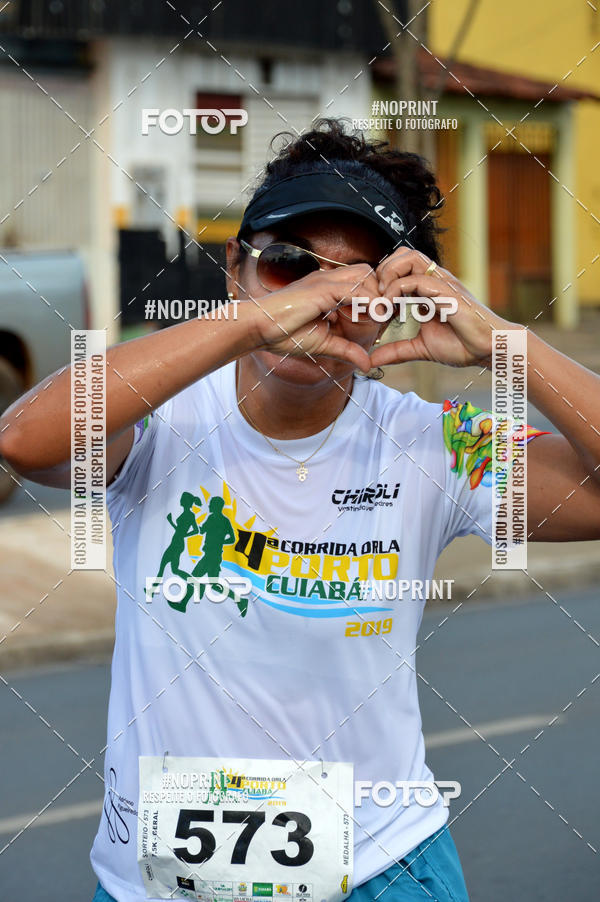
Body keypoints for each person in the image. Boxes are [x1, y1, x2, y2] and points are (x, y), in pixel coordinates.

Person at [1, 118, 599, 902]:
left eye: (358, 285)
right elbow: (23, 437)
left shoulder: (437, 443)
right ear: (234, 269)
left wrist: (504, 346)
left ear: (397, 305)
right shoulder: (158, 419)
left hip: (381, 871)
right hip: (161, 885)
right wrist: (250, 323)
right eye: (291, 267)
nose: (323, 300)